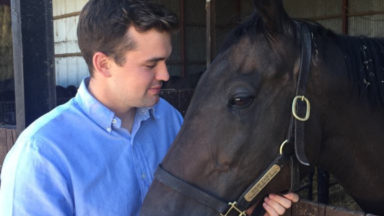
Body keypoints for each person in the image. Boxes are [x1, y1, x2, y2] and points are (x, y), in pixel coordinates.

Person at [0, 0, 298, 215]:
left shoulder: (170, 121)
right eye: (151, 64)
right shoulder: (42, 156)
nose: (166, 75)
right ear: (103, 64)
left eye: (165, 60)